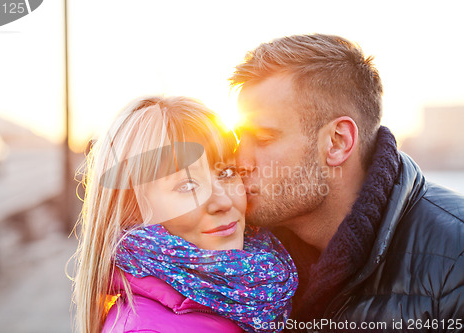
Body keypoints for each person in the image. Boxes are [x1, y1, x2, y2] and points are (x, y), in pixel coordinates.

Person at [230, 34, 464, 331]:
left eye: (263, 138)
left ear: (337, 142)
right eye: (238, 139)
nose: (240, 161)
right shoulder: (235, 253)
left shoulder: (456, 262)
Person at [73, 96, 298, 333]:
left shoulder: (256, 286)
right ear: (133, 212)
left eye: (227, 172)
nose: (223, 201)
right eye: (187, 186)